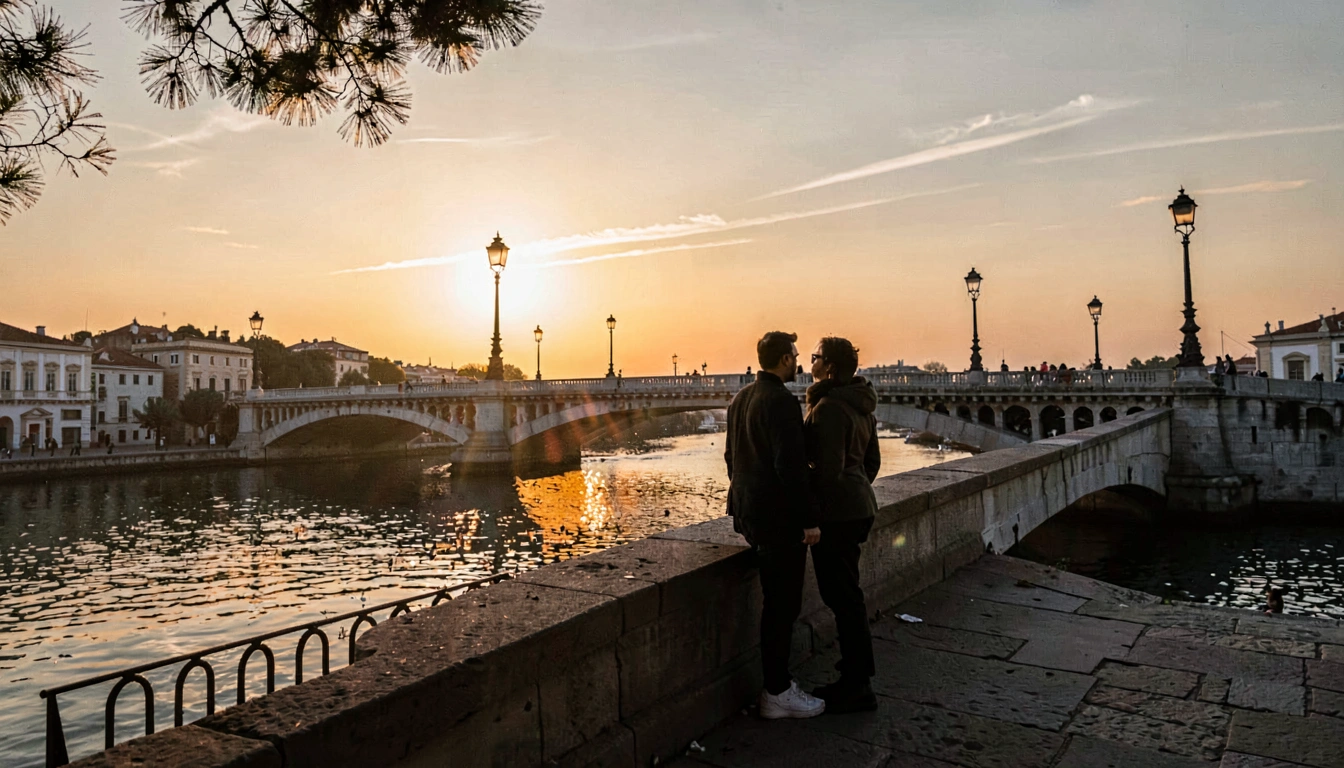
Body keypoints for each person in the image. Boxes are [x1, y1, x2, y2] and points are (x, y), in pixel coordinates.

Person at [725, 331, 825, 719]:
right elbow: (791, 468)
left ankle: (777, 686)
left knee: (775, 600)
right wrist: (809, 519)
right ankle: (778, 690)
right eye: (795, 356)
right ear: (784, 359)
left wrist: (744, 500)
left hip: (748, 513)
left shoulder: (740, 398)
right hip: (778, 519)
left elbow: (731, 458)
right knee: (783, 604)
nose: (799, 362)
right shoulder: (782, 400)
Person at [804, 337, 880, 713]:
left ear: (829, 367)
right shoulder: (862, 404)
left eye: (815, 357)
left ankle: (856, 683)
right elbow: (872, 463)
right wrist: (858, 488)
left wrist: (811, 515)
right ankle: (857, 674)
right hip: (859, 507)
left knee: (843, 597)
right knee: (849, 594)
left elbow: (827, 473)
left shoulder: (829, 408)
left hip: (839, 515)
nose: (810, 361)